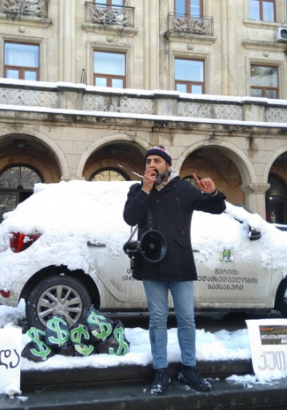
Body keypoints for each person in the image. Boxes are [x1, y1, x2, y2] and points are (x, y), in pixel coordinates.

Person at [123, 146, 226, 395]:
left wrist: (213, 193)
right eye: (148, 161)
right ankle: (160, 371)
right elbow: (129, 217)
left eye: (157, 160)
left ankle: (188, 368)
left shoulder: (183, 188)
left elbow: (216, 208)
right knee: (157, 320)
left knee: (187, 319)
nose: (152, 164)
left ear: (168, 165)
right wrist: (146, 189)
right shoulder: (137, 190)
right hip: (151, 264)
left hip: (180, 262)